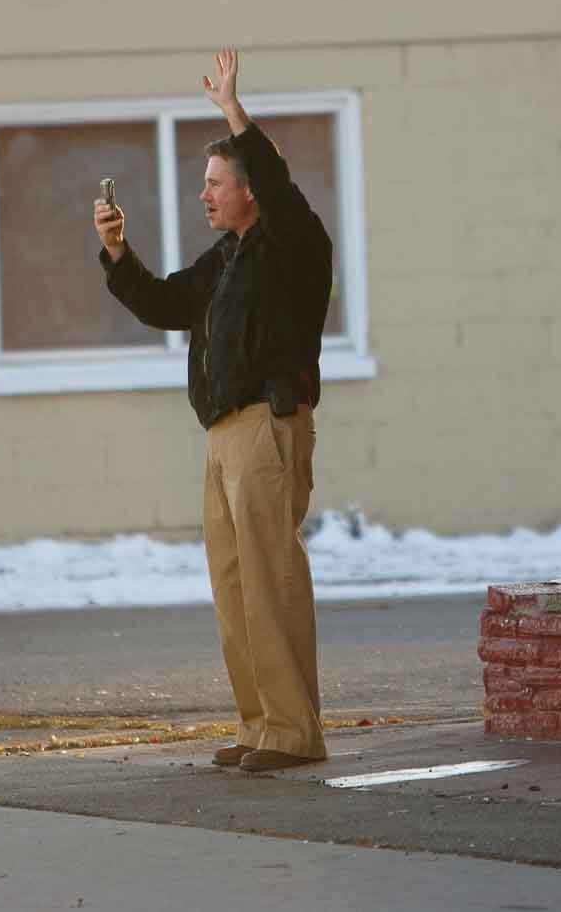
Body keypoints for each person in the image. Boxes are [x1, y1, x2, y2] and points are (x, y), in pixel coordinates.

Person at [93, 50, 332, 773]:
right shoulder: (224, 259)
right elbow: (165, 303)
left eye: (215, 184)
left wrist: (236, 116)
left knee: (271, 583)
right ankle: (262, 727)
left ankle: (295, 734)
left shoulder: (292, 244)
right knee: (234, 589)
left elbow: (285, 193)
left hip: (268, 425)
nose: (204, 196)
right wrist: (116, 252)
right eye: (204, 185)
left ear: (250, 189)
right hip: (223, 436)